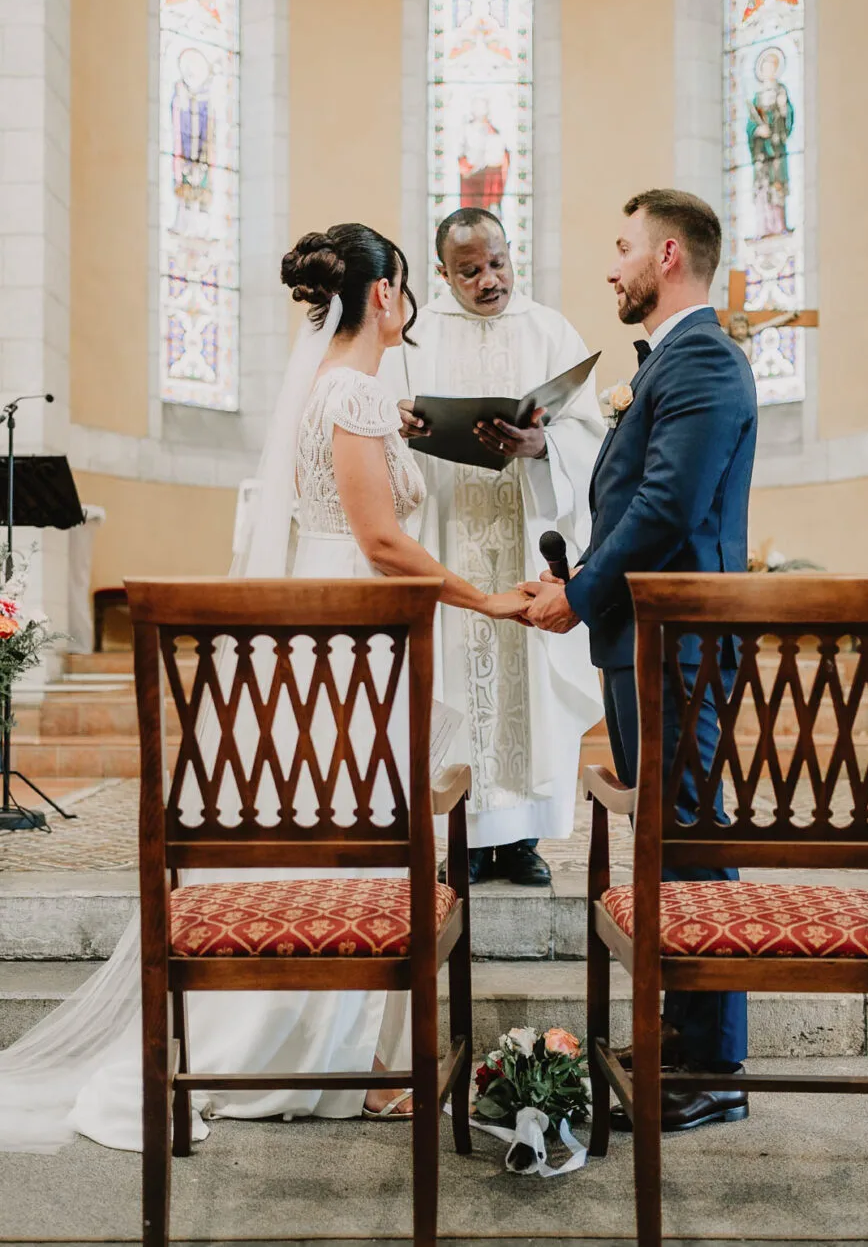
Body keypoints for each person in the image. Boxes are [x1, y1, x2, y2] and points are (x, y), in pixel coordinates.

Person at [0, 223, 528, 1151]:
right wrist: (486, 599)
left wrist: (397, 433)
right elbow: (382, 542)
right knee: (358, 825)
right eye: (402, 290)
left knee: (325, 822)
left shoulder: (340, 393)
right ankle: (340, 1068)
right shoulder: (354, 392)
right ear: (382, 297)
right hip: (356, 636)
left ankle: (321, 1051)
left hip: (319, 633)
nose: (405, 306)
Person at [522, 188, 758, 1132]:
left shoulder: (701, 358)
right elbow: (637, 504)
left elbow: (663, 507)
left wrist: (578, 594)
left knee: (693, 842)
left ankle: (711, 1066)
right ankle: (681, 1041)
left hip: (677, 640)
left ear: (667, 255)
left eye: (621, 247)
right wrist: (584, 581)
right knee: (671, 840)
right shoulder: (674, 361)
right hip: (648, 636)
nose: (609, 265)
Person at [381, 208, 604, 886]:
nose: (489, 279)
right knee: (457, 676)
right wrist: (408, 429)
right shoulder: (412, 344)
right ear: (443, 273)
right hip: (449, 538)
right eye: (470, 269)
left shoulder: (550, 331)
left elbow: (593, 436)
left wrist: (542, 446)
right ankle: (469, 836)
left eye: (498, 262)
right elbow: (377, 440)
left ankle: (524, 840)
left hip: (527, 536)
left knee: (532, 685)